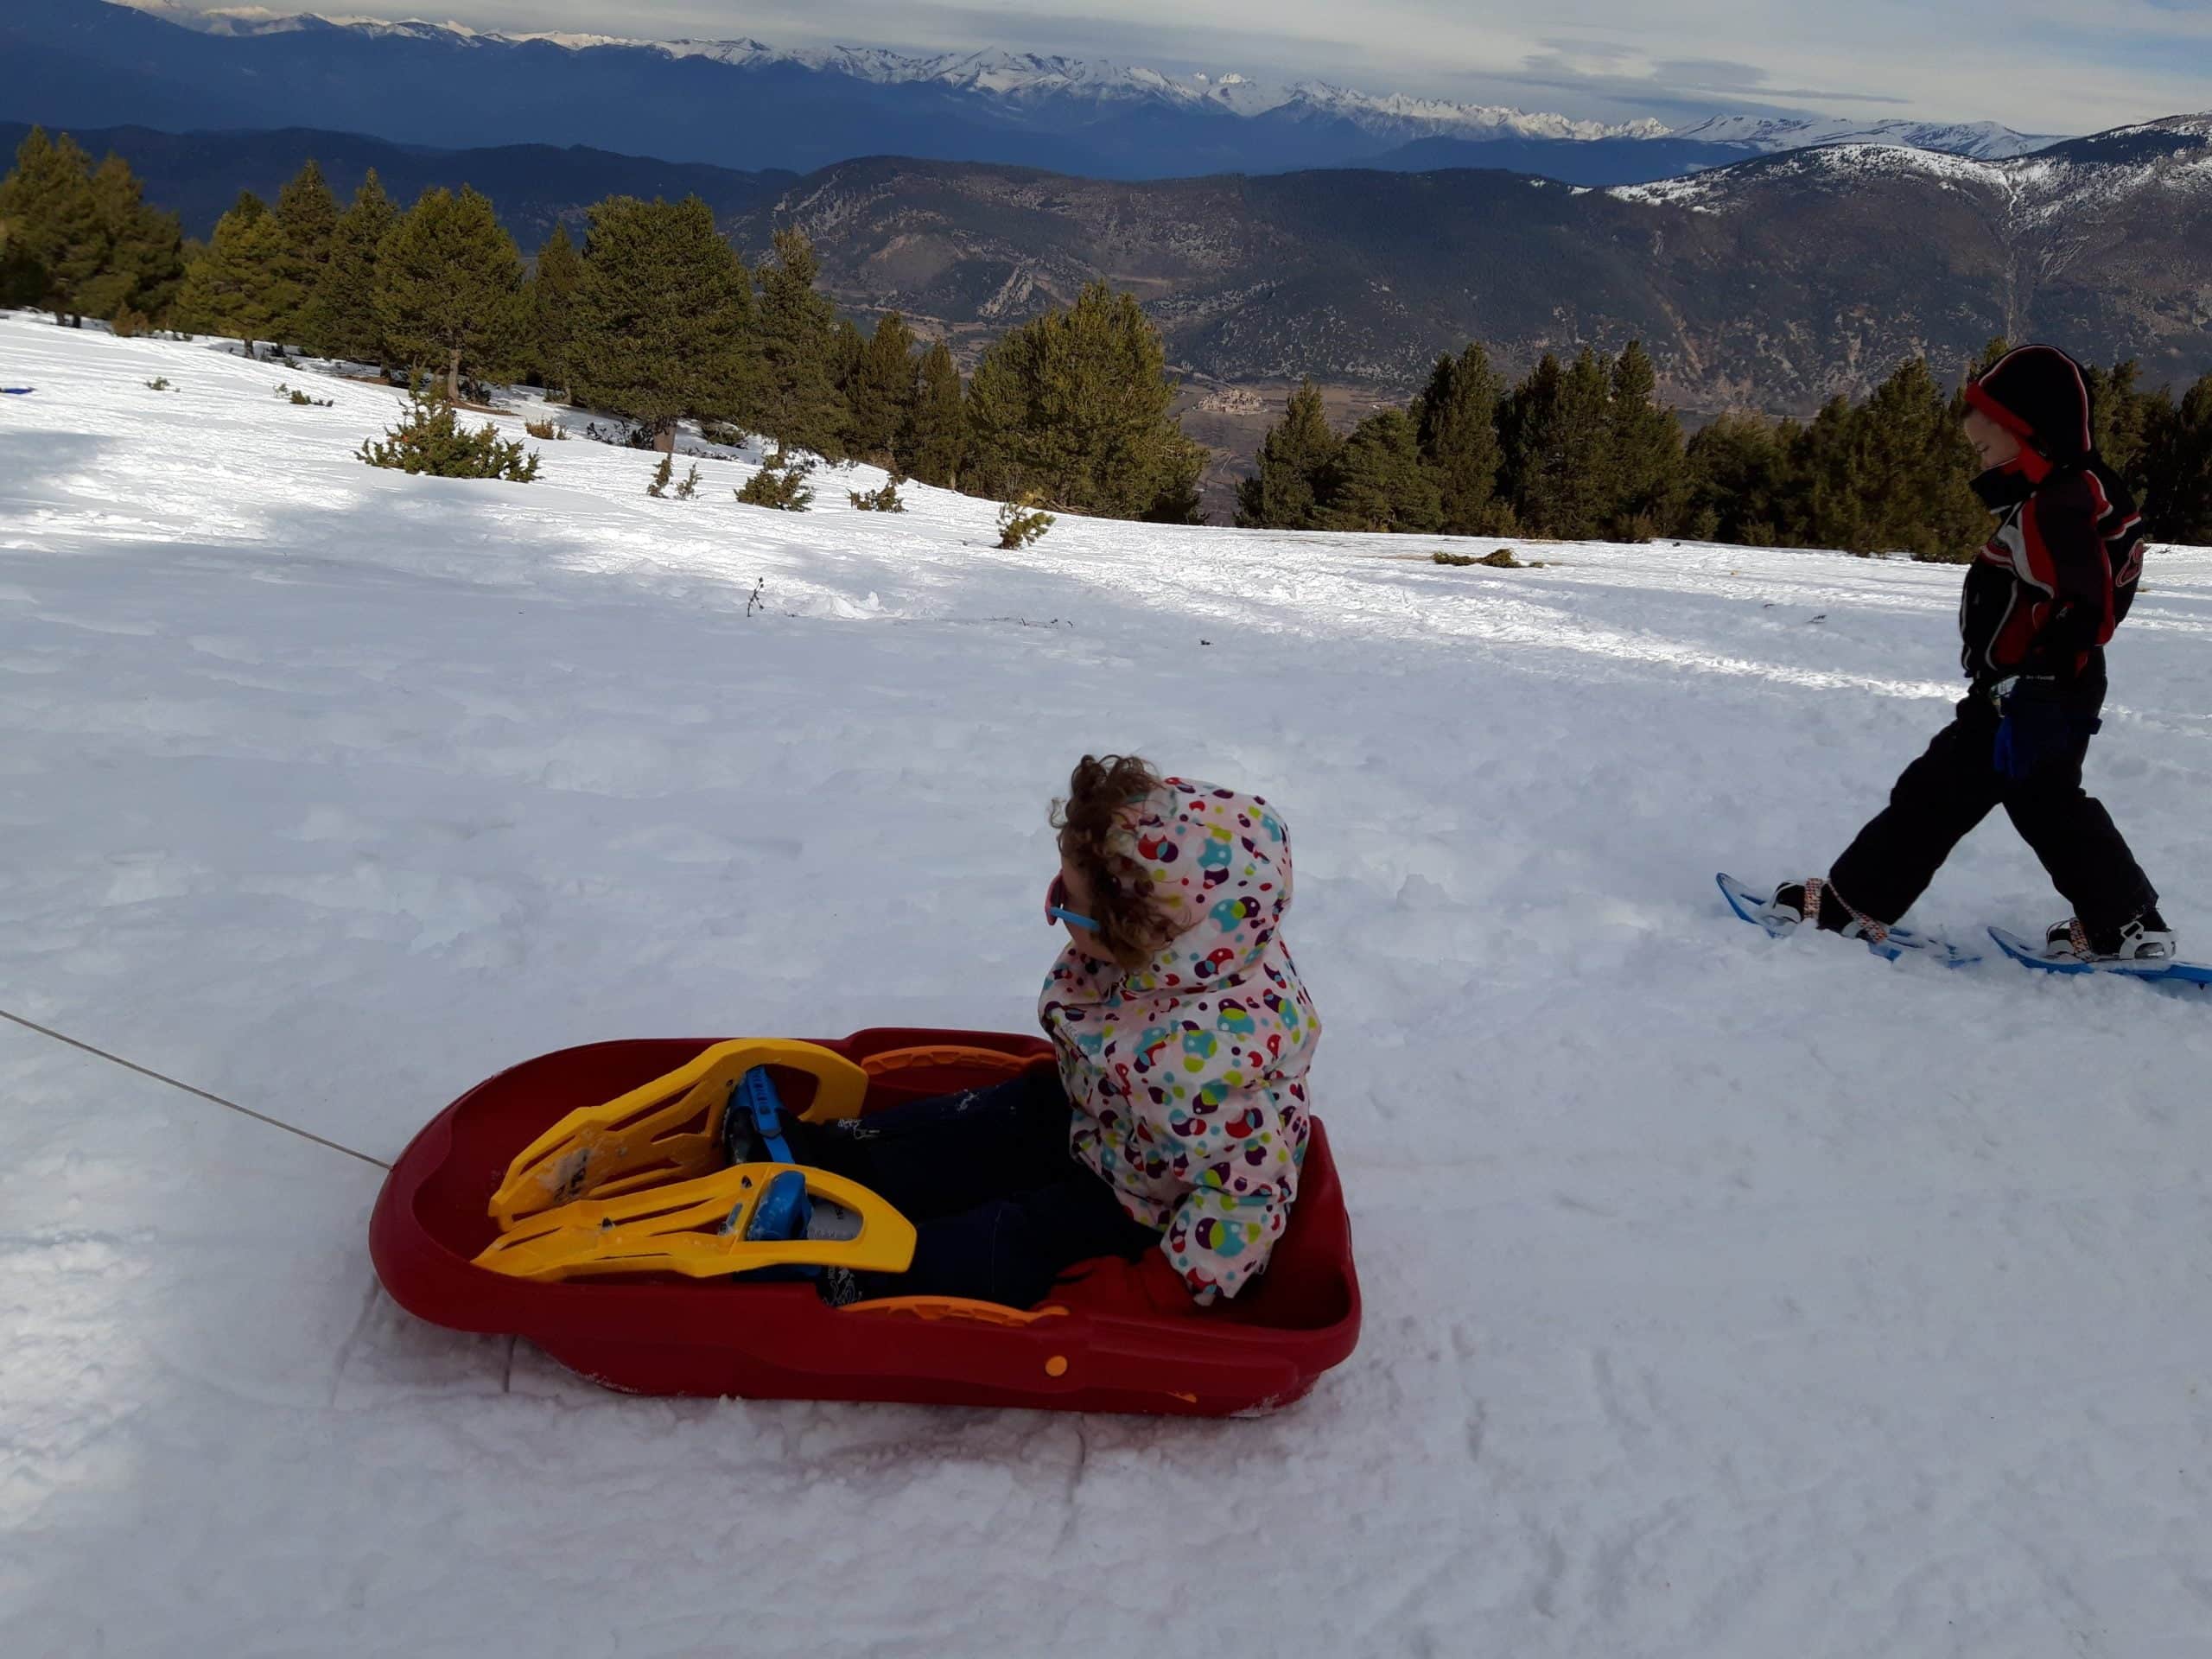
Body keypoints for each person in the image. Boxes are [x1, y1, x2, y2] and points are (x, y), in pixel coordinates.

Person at [794, 754, 1321, 1311]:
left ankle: (846, 1270)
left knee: (1005, 1242)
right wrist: (1089, 1076)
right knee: (1001, 1118)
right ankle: (829, 1159)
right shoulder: (1213, 941)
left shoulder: (1200, 1067)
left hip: (1150, 1211)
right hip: (1114, 1128)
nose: (1056, 914)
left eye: (1069, 904)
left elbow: (1250, 1196)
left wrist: (1153, 1288)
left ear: (1139, 933)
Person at [1766, 344, 2172, 963]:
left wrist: (2037, 684)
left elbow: (2085, 605)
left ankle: (2126, 927)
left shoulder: (2058, 506)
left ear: (2031, 434)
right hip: (2028, 689)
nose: (1980, 461)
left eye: (1985, 448)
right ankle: (2122, 923)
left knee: (2013, 801)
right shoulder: (2079, 489)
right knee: (1963, 794)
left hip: (2036, 692)